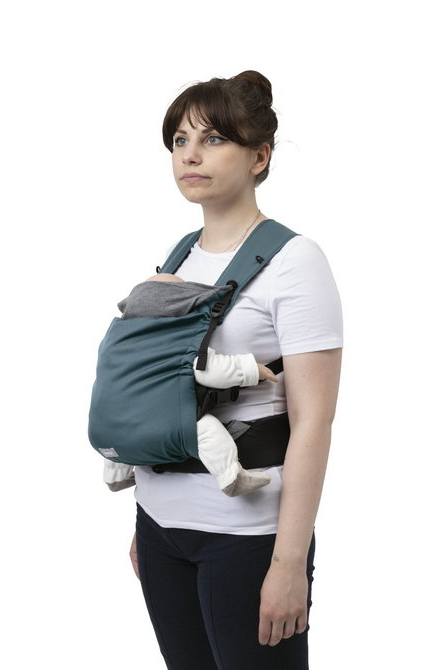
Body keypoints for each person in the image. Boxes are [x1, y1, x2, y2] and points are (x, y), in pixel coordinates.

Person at [124, 70, 342, 669]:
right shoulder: (178, 257)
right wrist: (149, 522)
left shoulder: (295, 262)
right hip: (161, 525)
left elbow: (313, 422)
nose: (190, 155)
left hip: (247, 536)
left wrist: (289, 563)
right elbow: (161, 394)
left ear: (259, 156)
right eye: (180, 141)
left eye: (213, 138)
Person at [103, 271, 279, 497]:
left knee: (119, 434)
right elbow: (209, 370)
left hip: (110, 429)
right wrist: (252, 369)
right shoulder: (177, 341)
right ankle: (231, 476)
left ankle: (115, 476)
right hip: (161, 426)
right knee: (206, 431)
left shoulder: (115, 344)